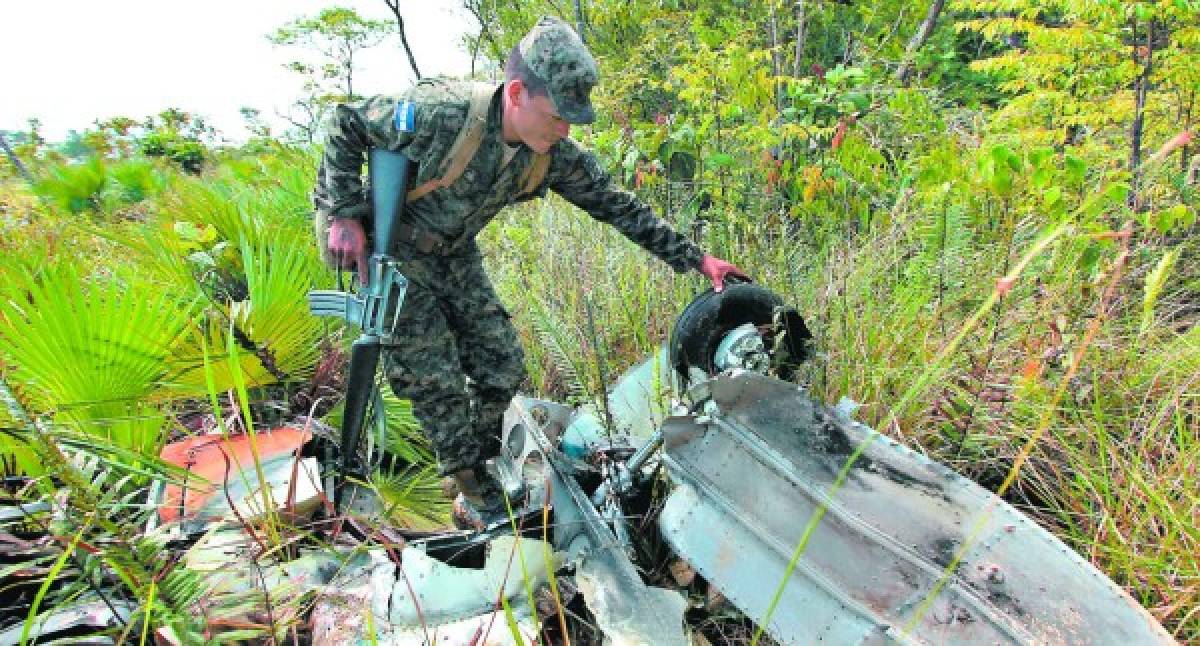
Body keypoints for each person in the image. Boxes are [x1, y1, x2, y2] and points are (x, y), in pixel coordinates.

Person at [313, 16, 745, 527]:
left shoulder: (551, 156)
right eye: (558, 116)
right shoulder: (442, 113)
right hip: (393, 254)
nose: (564, 129)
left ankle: (471, 460)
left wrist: (697, 259)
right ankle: (476, 495)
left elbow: (616, 205)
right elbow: (346, 121)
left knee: (502, 365)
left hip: (452, 252)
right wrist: (342, 213)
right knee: (435, 381)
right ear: (516, 93)